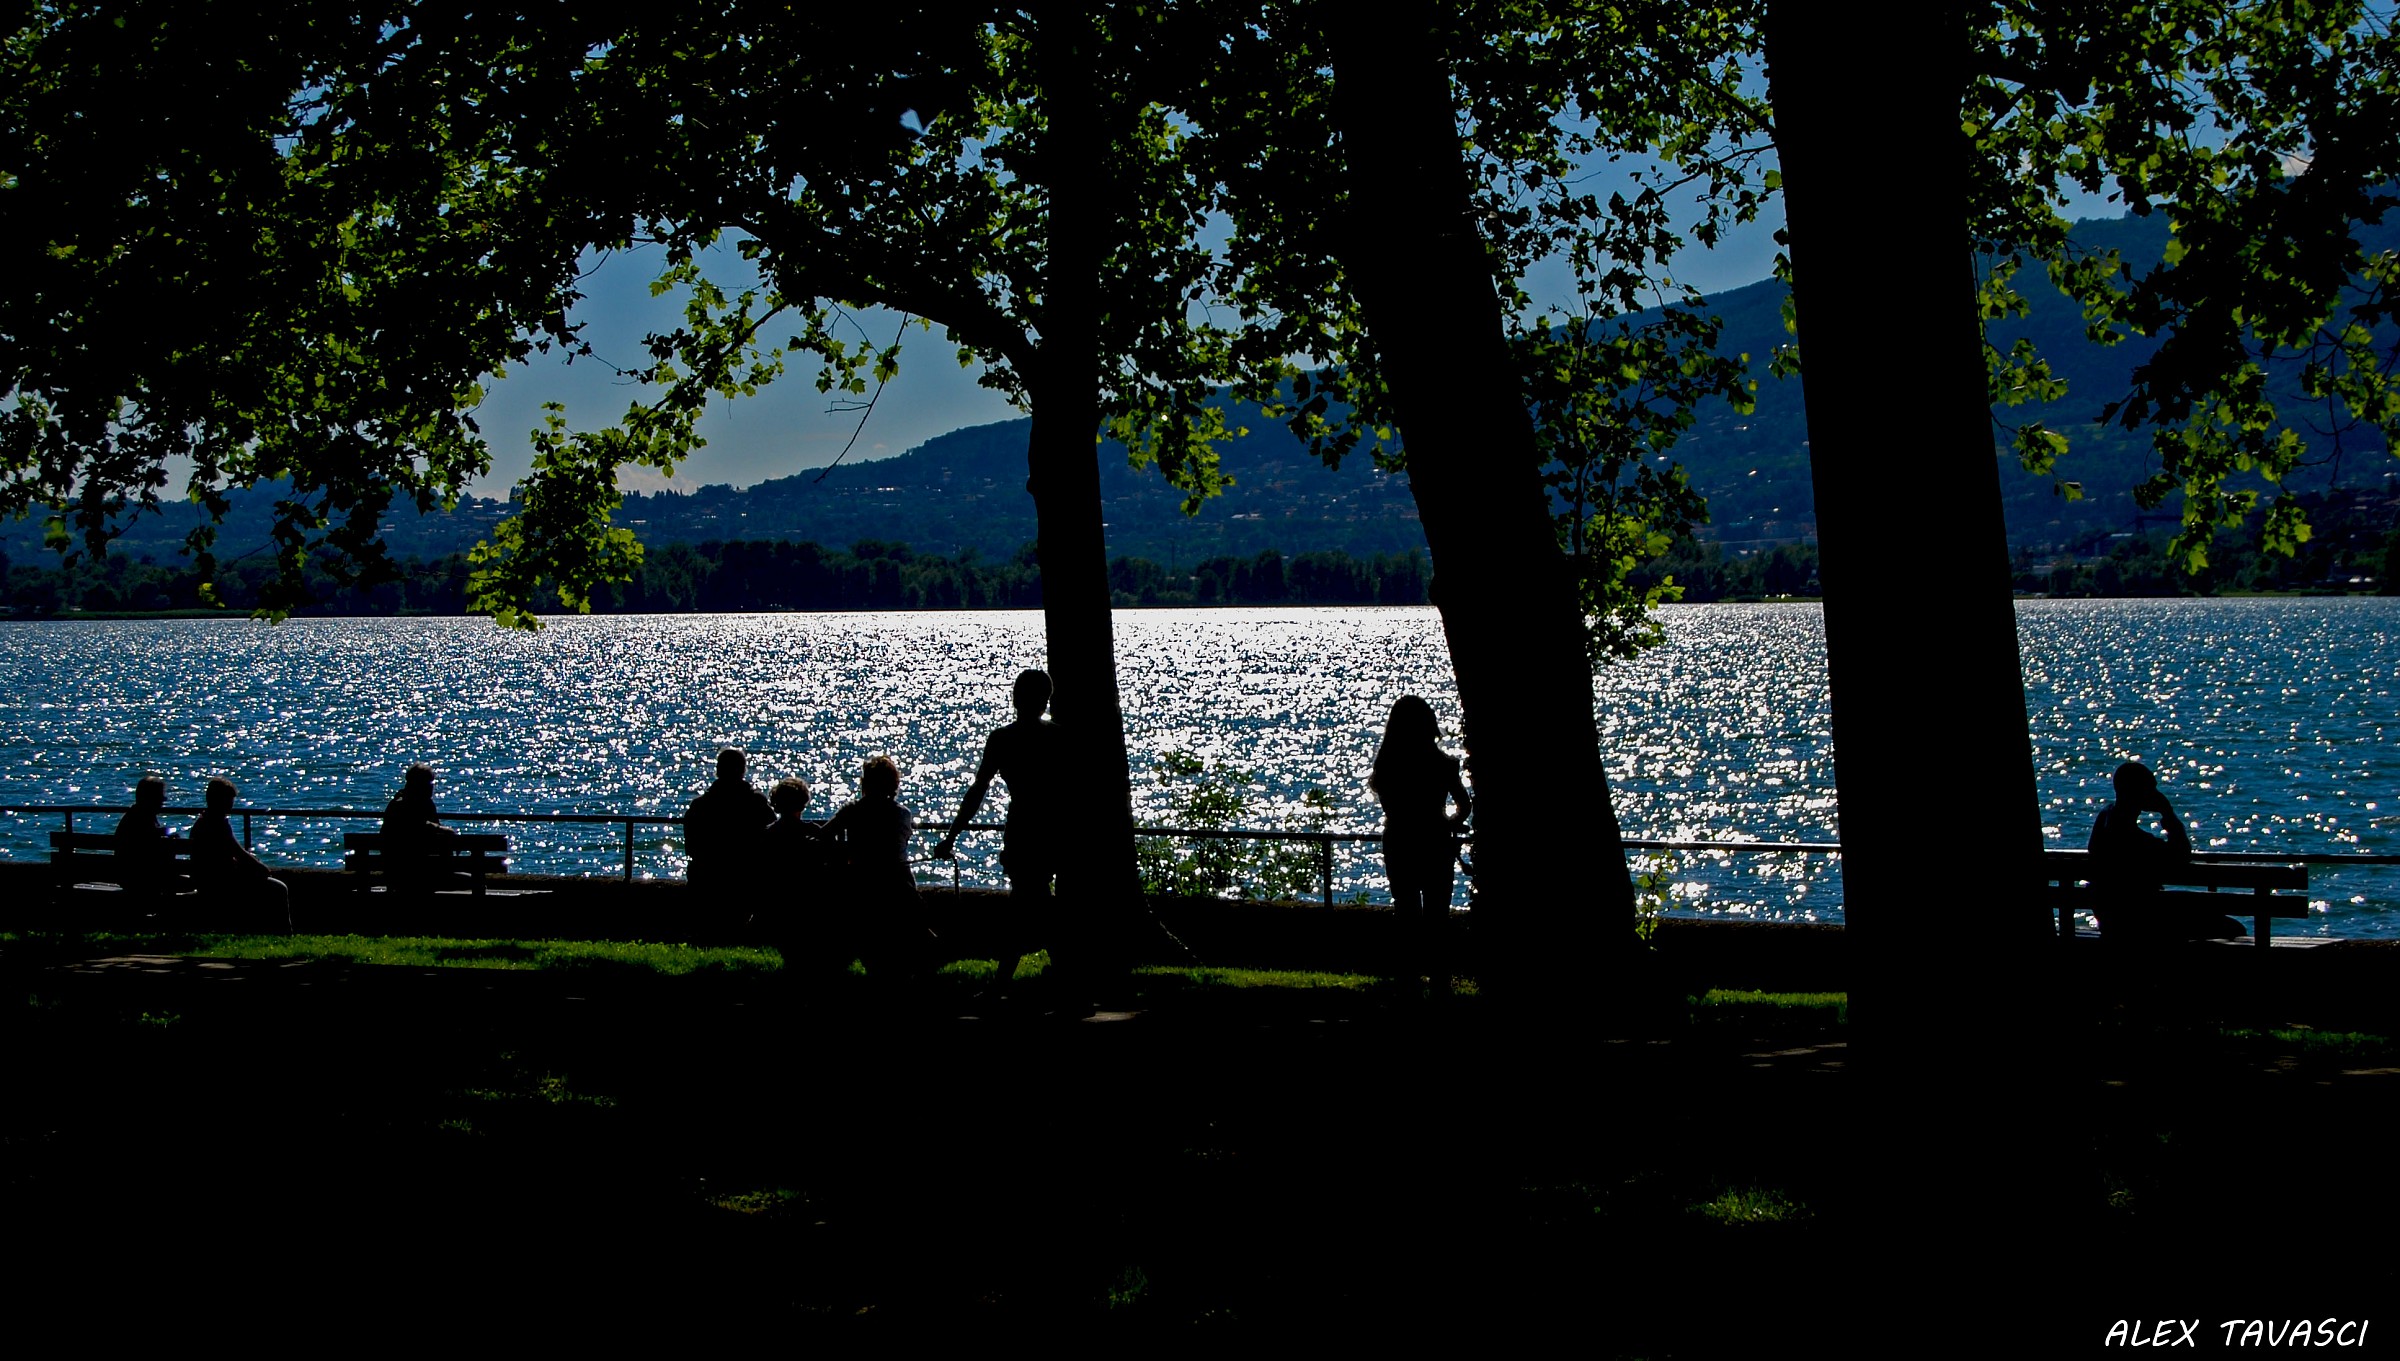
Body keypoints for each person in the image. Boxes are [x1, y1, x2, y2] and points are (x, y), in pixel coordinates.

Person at [934, 668, 1068, 994]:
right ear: (1045, 701)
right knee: (1032, 905)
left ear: (1015, 698)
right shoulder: (1058, 737)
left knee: (1027, 906)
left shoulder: (1003, 739)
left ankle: (1038, 985)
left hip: (1022, 830)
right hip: (1053, 830)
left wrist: (952, 835)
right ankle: (1060, 985)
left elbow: (978, 790)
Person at [1370, 696, 1472, 975]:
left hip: (1399, 842)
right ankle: (1439, 978)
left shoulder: (1388, 766)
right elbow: (1464, 805)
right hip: (1436, 843)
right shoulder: (1443, 765)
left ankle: (1409, 977)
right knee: (1437, 915)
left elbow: (1392, 809)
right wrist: (1448, 823)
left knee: (1407, 912)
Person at [2087, 760, 2239, 940]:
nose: (2156, 794)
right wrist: (2168, 812)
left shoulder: (2106, 819)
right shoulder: (2133, 839)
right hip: (2141, 921)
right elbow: (2181, 855)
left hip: (2112, 920)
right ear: (2138, 791)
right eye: (2151, 788)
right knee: (2232, 928)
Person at [828, 755, 932, 979]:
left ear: (865, 783)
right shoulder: (902, 814)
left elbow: (825, 835)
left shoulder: (852, 811)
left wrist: (845, 852)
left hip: (861, 884)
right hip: (898, 885)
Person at [759, 776, 841, 980]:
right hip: (810, 906)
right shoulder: (813, 833)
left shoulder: (768, 835)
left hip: (776, 906)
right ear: (803, 803)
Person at [188, 776, 292, 932]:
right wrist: (260, 867)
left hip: (207, 881)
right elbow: (239, 853)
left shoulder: (201, 823)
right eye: (229, 800)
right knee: (279, 888)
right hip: (222, 883)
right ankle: (283, 932)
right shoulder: (218, 825)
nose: (231, 805)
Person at [685, 748, 774, 903]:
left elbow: (691, 847)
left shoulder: (700, 805)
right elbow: (771, 839)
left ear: (718, 770)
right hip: (745, 879)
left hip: (706, 879)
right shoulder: (757, 803)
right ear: (743, 770)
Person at [381, 763, 461, 896]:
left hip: (394, 873)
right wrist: (445, 831)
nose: (432, 787)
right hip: (417, 874)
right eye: (430, 783)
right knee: (473, 880)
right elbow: (418, 825)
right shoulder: (409, 806)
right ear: (420, 785)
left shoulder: (395, 805)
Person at [113, 773, 183, 901]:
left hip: (126, 876)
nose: (164, 800)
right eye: (161, 796)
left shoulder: (131, 817)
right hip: (144, 878)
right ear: (152, 798)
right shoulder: (145, 820)